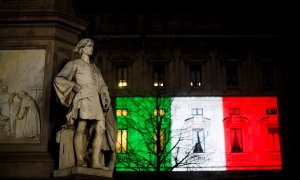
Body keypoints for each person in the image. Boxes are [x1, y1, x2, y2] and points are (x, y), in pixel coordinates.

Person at [53, 38, 117, 170]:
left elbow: (102, 86)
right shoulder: (74, 64)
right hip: (83, 97)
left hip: (95, 99)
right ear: (82, 48)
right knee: (81, 127)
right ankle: (80, 159)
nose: (91, 48)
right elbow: (59, 79)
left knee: (101, 128)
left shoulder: (96, 69)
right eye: (88, 46)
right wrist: (72, 85)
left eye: (92, 46)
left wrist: (105, 96)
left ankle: (95, 162)